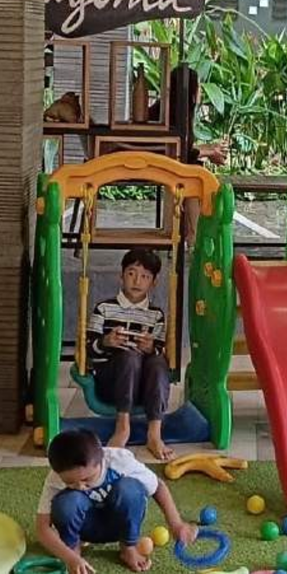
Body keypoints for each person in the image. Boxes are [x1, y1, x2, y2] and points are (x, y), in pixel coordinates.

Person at [34, 429, 197, 573]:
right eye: (70, 482)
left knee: (129, 488)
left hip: (120, 523)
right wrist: (69, 557)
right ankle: (74, 549)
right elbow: (42, 528)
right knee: (66, 503)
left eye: (86, 479)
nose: (80, 486)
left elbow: (158, 486)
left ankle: (128, 548)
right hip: (86, 527)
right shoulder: (56, 476)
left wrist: (176, 524)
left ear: (101, 459)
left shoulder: (119, 461)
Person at [87, 249, 173, 460]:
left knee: (157, 362)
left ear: (153, 283)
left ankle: (154, 433)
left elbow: (160, 349)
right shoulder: (104, 309)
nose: (137, 281)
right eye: (131, 273)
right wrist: (106, 342)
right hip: (112, 385)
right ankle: (122, 427)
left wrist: (150, 348)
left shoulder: (156, 315)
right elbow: (88, 350)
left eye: (145, 276)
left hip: (143, 388)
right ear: (121, 276)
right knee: (129, 356)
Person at [151, 65, 228, 243]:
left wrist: (209, 150)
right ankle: (194, 236)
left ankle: (190, 234)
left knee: (195, 170)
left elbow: (183, 149)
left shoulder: (169, 109)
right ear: (191, 91)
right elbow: (181, 152)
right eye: (199, 86)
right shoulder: (175, 114)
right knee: (196, 177)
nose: (201, 91)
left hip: (163, 163)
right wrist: (210, 151)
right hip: (162, 167)